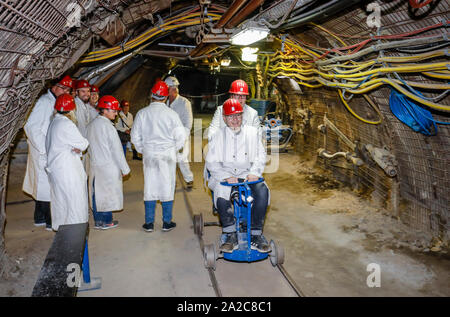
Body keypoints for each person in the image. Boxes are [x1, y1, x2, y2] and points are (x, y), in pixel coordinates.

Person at [206, 98, 270, 253]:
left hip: (247, 173)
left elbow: (261, 156)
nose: (235, 120)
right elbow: (211, 162)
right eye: (231, 116)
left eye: (238, 116)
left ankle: (256, 234)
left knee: (262, 191)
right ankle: (229, 233)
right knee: (222, 193)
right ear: (224, 118)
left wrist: (254, 172)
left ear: (242, 116)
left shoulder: (252, 133)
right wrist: (224, 176)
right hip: (225, 174)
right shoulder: (218, 136)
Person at [131, 81, 186, 232]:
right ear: (166, 97)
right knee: (167, 186)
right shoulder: (172, 114)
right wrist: (173, 149)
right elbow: (181, 136)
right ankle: (166, 222)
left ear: (151, 95)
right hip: (167, 154)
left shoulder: (142, 113)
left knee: (150, 185)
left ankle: (149, 223)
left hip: (149, 154)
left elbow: (135, 137)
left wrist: (143, 149)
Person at [23, 75, 73, 230]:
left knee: (43, 187)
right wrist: (45, 149)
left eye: (68, 90)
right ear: (54, 87)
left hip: (48, 150)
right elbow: (31, 127)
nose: (65, 92)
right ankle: (51, 221)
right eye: (63, 88)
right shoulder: (44, 102)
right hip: (43, 151)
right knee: (47, 188)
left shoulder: (54, 102)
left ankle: (39, 218)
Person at [45, 94, 89, 231]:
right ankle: (75, 234)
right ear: (72, 110)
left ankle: (63, 232)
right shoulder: (66, 124)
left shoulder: (54, 123)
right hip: (68, 172)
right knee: (74, 205)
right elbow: (83, 143)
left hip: (57, 171)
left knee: (61, 204)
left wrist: (74, 148)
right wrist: (76, 147)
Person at [87, 96, 130, 230]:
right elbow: (117, 150)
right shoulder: (108, 127)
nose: (116, 113)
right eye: (113, 111)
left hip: (95, 165)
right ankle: (106, 221)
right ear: (104, 110)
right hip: (108, 166)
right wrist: (125, 169)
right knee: (107, 194)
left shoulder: (91, 125)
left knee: (97, 194)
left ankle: (98, 221)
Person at [164, 76, 194, 188]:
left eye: (176, 87)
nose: (175, 89)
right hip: (168, 137)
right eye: (172, 87)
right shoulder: (164, 102)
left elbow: (188, 122)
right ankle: (172, 181)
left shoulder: (184, 102)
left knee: (182, 159)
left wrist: (183, 138)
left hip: (181, 136)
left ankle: (189, 179)